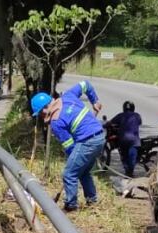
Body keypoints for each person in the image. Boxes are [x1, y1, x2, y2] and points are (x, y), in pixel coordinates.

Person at [31, 80, 104, 212]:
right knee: (83, 171)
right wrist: (95, 101)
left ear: (45, 109)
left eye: (40, 114)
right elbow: (85, 84)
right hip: (99, 136)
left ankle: (71, 205)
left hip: (87, 141)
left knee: (69, 174)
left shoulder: (56, 121)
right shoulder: (68, 96)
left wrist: (72, 160)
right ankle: (92, 201)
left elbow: (70, 147)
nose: (42, 118)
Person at [109, 101, 142, 176]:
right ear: (133, 108)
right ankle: (130, 172)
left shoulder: (120, 115)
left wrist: (104, 125)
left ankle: (127, 172)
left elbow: (110, 123)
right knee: (132, 158)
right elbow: (139, 123)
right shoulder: (137, 116)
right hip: (135, 141)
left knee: (124, 156)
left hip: (123, 140)